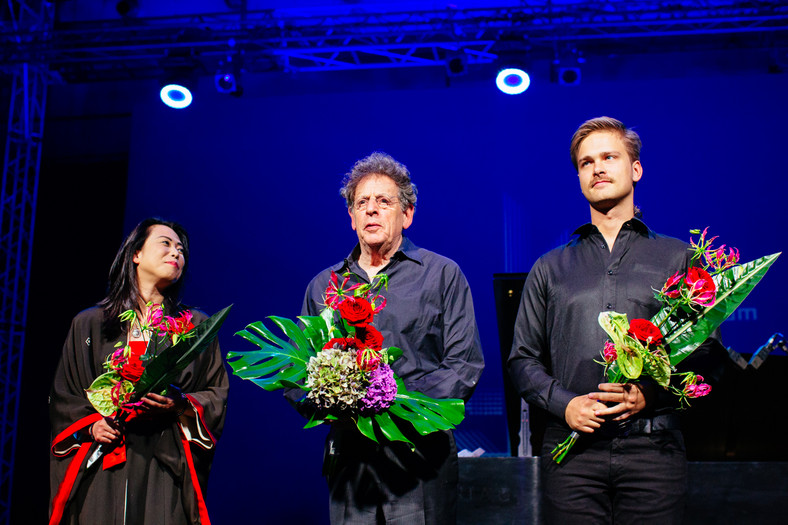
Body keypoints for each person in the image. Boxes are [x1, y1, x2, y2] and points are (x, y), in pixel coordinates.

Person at [507, 117, 724, 524]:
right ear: (579, 178)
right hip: (571, 452)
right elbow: (522, 359)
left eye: (610, 157)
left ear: (635, 169)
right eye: (586, 163)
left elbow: (706, 351)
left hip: (653, 449)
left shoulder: (678, 257)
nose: (598, 168)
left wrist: (649, 395)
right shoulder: (550, 267)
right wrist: (565, 403)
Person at [300, 152, 484, 524]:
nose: (371, 210)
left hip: (421, 459)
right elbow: (300, 371)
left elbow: (464, 366)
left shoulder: (442, 275)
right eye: (361, 203)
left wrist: (394, 402)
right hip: (351, 465)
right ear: (351, 217)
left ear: (407, 214)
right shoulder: (323, 286)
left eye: (384, 202)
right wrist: (333, 398)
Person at [49, 218, 229, 525]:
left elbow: (216, 392)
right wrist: (93, 425)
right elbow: (65, 394)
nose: (176, 253)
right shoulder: (91, 324)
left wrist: (180, 405)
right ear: (136, 254)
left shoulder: (195, 327)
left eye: (181, 250)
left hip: (164, 461)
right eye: (166, 243)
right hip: (104, 459)